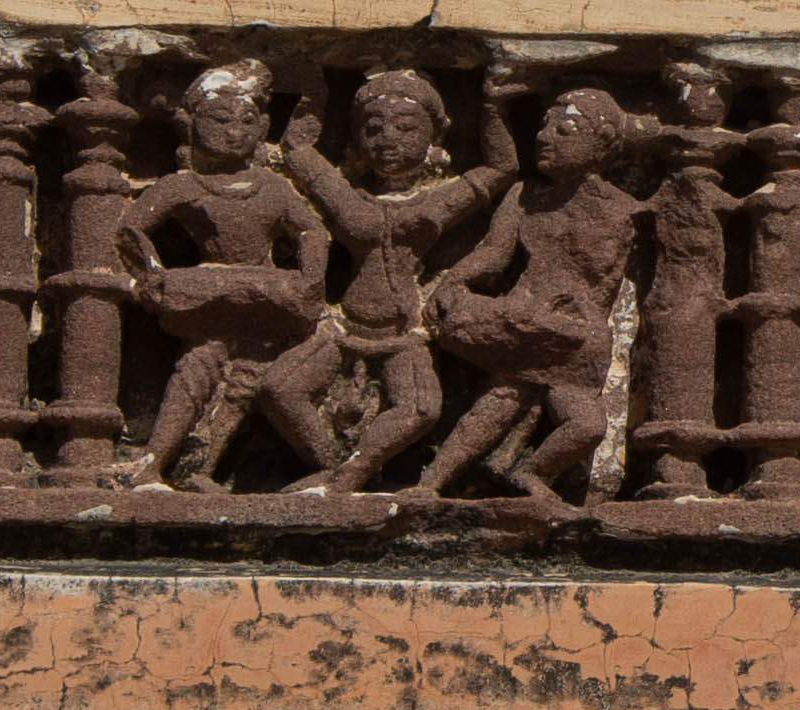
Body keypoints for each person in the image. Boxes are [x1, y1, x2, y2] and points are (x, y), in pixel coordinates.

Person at [283, 67, 513, 493]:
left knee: (422, 409)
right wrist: (314, 90)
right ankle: (327, 464)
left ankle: (351, 473)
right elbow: (296, 148)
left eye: (407, 127)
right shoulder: (345, 197)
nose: (389, 137)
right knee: (280, 389)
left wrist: (492, 105)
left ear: (434, 138)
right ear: (355, 139)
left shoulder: (436, 203)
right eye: (373, 128)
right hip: (343, 325)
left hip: (405, 330)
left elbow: (502, 167)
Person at [113, 61, 340, 491]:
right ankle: (156, 461)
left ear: (263, 129)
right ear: (193, 125)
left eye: (247, 121)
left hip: (266, 298)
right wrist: (153, 274)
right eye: (219, 119)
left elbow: (311, 229)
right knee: (195, 370)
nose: (234, 130)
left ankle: (215, 469)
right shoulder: (186, 185)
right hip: (213, 297)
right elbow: (131, 228)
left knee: (248, 383)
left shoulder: (271, 187)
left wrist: (311, 278)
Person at [419, 85, 643, 502]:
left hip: (579, 340)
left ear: (602, 143)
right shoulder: (524, 197)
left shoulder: (625, 210)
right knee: (497, 403)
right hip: (527, 319)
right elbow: (493, 254)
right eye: (544, 126)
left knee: (589, 426)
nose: (544, 136)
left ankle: (527, 470)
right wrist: (454, 281)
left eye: (564, 130)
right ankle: (430, 484)